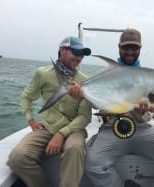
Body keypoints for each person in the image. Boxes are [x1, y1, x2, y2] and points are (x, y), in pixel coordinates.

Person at [69, 29, 154, 187]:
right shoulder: (107, 73)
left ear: (140, 48)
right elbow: (97, 104)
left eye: (134, 48)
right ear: (119, 47)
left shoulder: (149, 77)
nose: (130, 52)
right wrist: (80, 94)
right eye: (126, 48)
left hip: (142, 129)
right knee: (93, 163)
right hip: (111, 129)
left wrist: (142, 113)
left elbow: (149, 116)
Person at [7, 36, 92, 187]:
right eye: (76, 52)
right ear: (62, 50)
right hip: (47, 126)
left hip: (74, 128)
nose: (79, 57)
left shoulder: (85, 81)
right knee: (17, 158)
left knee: (75, 149)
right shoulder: (43, 73)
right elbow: (26, 97)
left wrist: (61, 134)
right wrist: (31, 120)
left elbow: (84, 116)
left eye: (82, 54)